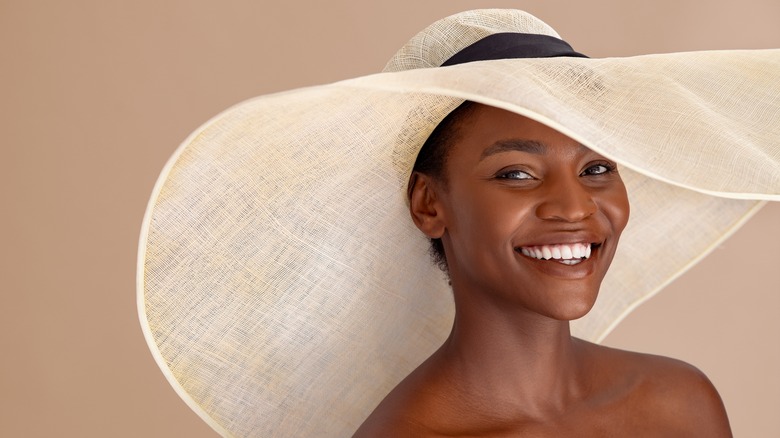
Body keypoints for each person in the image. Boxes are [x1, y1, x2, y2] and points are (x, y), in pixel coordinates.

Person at [138, 9, 779, 437]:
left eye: (597, 167)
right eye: (516, 174)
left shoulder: (679, 406)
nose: (575, 208)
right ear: (429, 204)